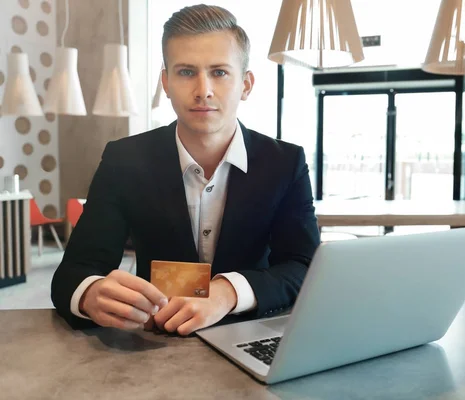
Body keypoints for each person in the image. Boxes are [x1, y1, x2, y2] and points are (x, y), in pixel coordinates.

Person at [51, 4, 320, 335]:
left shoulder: (284, 163)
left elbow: (303, 266)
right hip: (155, 343)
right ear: (165, 82)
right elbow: (73, 272)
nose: (203, 90)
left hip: (250, 333)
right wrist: (90, 293)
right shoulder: (124, 160)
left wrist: (227, 293)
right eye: (186, 72)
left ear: (246, 85)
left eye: (219, 72)